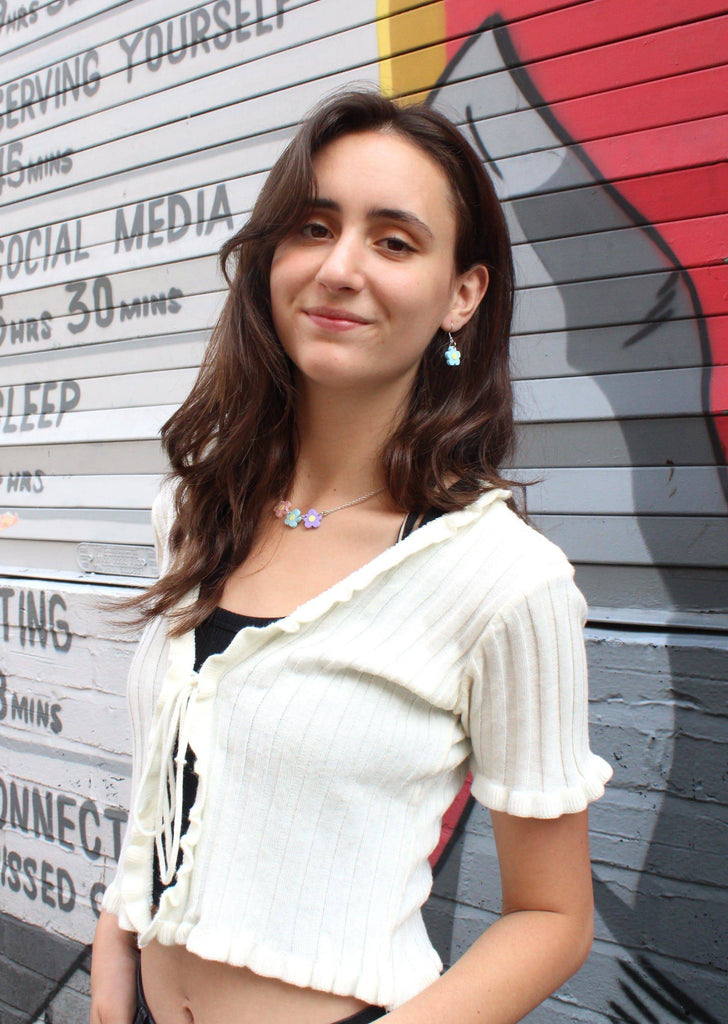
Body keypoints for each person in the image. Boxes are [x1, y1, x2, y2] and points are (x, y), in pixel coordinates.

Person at [90, 88, 612, 1024]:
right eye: (314, 227)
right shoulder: (195, 512)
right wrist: (112, 949)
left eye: (395, 241)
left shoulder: (502, 579)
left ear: (463, 294)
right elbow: (171, 783)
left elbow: (553, 914)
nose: (339, 267)